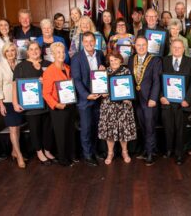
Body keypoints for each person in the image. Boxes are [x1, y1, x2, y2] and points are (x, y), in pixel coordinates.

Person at [12, 41, 55, 165]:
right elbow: (15, 86)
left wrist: (46, 81)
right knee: (35, 129)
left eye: (36, 49)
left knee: (48, 129)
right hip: (31, 105)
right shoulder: (20, 66)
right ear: (27, 51)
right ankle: (39, 152)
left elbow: (55, 83)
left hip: (48, 104)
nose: (34, 51)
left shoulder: (48, 64)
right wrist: (15, 102)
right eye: (31, 49)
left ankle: (47, 150)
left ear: (40, 50)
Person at [71, 31, 106, 167]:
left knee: (96, 126)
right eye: (86, 42)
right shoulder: (76, 58)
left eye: (91, 41)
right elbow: (77, 80)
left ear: (95, 41)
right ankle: (87, 155)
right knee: (86, 128)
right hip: (85, 100)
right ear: (82, 43)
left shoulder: (100, 54)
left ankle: (95, 150)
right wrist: (86, 95)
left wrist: (104, 68)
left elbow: (102, 74)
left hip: (98, 98)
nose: (89, 44)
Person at [160, 39, 191, 165]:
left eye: (179, 47)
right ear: (171, 48)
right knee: (168, 128)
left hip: (183, 103)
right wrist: (161, 96)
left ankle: (179, 154)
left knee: (180, 129)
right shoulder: (164, 61)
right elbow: (159, 81)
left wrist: (187, 99)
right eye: (174, 47)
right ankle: (169, 150)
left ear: (183, 49)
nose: (176, 49)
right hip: (167, 102)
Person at [128, 36, 162, 166]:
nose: (141, 47)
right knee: (142, 126)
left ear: (147, 46)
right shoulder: (132, 59)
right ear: (135, 46)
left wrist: (154, 98)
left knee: (150, 127)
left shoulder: (155, 60)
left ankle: (150, 153)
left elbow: (156, 81)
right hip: (136, 99)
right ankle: (146, 149)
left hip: (149, 99)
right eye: (138, 45)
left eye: (143, 45)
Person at [98, 52, 137, 165]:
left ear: (120, 60)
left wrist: (128, 97)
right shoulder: (104, 73)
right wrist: (103, 93)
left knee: (123, 129)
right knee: (109, 130)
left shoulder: (127, 72)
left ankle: (125, 151)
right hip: (108, 106)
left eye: (116, 59)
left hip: (123, 106)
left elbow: (131, 88)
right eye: (111, 60)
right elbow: (100, 89)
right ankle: (110, 152)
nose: (114, 62)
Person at [42, 42, 77, 166]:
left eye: (62, 52)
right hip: (58, 107)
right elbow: (45, 94)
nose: (61, 54)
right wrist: (56, 105)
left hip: (70, 105)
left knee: (69, 131)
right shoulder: (49, 71)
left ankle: (70, 155)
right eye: (58, 52)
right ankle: (63, 159)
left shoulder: (67, 68)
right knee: (61, 134)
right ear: (53, 55)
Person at [0, 42, 25, 168]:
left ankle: (14, 151)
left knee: (17, 127)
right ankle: (20, 156)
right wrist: (0, 104)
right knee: (13, 128)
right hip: (7, 101)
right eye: (8, 51)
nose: (11, 53)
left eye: (13, 50)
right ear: (4, 53)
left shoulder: (20, 64)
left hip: (19, 100)